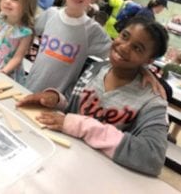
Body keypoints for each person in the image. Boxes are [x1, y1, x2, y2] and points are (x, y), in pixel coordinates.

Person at [18, 16, 169, 176]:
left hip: (99, 176)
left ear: (149, 60)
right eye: (124, 36)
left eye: (137, 48)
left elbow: (153, 157)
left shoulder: (153, 101)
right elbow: (73, 108)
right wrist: (56, 99)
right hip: (61, 162)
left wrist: (81, 126)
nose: (124, 47)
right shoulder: (96, 69)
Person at [26, 0, 112, 93]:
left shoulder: (93, 30)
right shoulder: (51, 14)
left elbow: (119, 56)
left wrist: (143, 72)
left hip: (55, 103)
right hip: (29, 88)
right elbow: (27, 30)